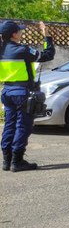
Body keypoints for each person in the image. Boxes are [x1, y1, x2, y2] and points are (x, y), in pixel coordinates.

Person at [1, 20, 55, 172]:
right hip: (21, 93)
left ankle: (7, 161)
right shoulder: (22, 50)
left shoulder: (1, 49)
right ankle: (17, 162)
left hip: (6, 91)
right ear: (13, 34)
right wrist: (47, 36)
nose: (21, 32)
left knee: (9, 125)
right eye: (19, 31)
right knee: (23, 126)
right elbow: (47, 55)